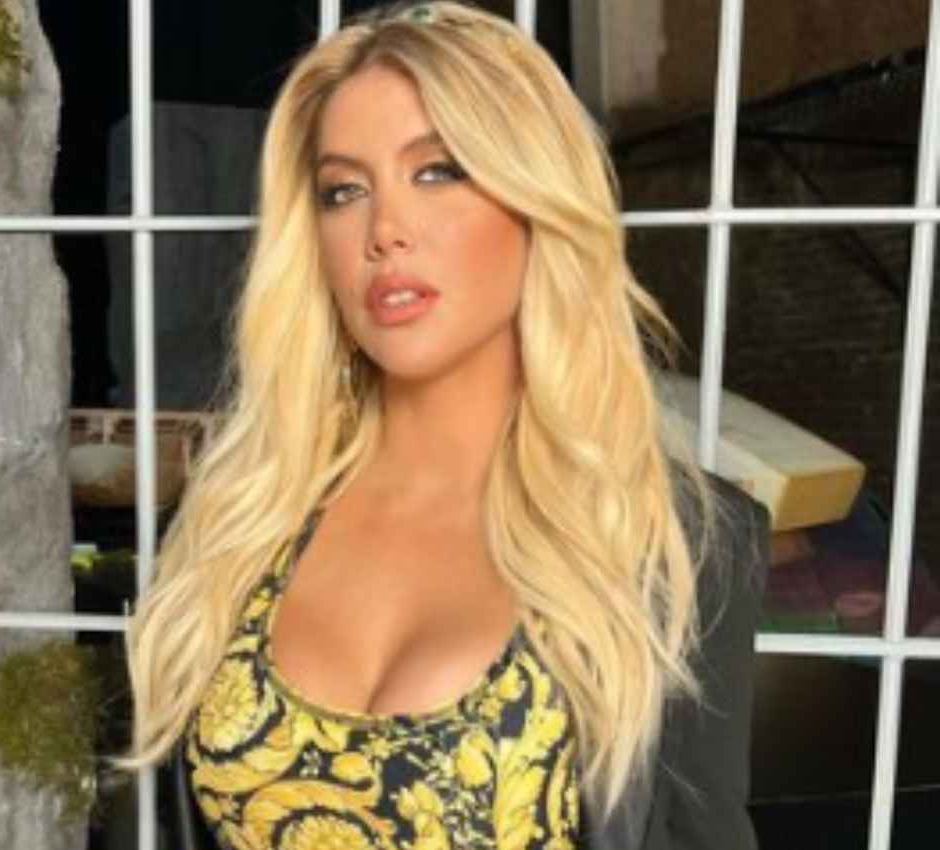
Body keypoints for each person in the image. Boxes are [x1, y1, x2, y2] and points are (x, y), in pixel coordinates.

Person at [120, 2, 771, 848]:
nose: (384, 232)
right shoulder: (237, 519)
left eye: (437, 172)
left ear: (536, 199)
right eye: (344, 191)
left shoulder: (677, 545)